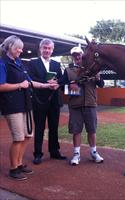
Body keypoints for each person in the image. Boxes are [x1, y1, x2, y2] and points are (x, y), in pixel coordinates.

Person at [0, 35, 58, 180]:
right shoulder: (3, 64)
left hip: (25, 104)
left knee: (27, 136)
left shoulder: (19, 63)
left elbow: (31, 82)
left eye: (21, 48)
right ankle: (13, 169)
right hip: (12, 105)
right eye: (18, 48)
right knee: (18, 138)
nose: (21, 50)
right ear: (9, 47)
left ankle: (19, 164)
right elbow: (1, 86)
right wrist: (20, 85)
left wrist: (47, 85)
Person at [58, 46, 104, 165]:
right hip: (75, 105)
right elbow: (61, 85)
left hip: (90, 103)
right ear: (72, 57)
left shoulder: (93, 68)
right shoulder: (68, 70)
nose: (77, 57)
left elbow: (102, 84)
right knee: (76, 130)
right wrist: (69, 86)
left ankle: (94, 152)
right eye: (74, 55)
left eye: (79, 54)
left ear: (83, 55)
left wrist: (98, 77)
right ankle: (76, 154)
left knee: (92, 130)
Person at [27, 38, 66, 165]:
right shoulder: (33, 63)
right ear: (40, 48)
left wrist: (57, 83)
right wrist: (47, 83)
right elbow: (32, 79)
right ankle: (38, 154)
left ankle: (54, 152)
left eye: (49, 48)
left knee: (54, 127)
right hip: (39, 100)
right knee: (39, 127)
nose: (47, 50)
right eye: (45, 48)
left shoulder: (56, 64)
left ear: (52, 50)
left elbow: (60, 79)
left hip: (54, 100)